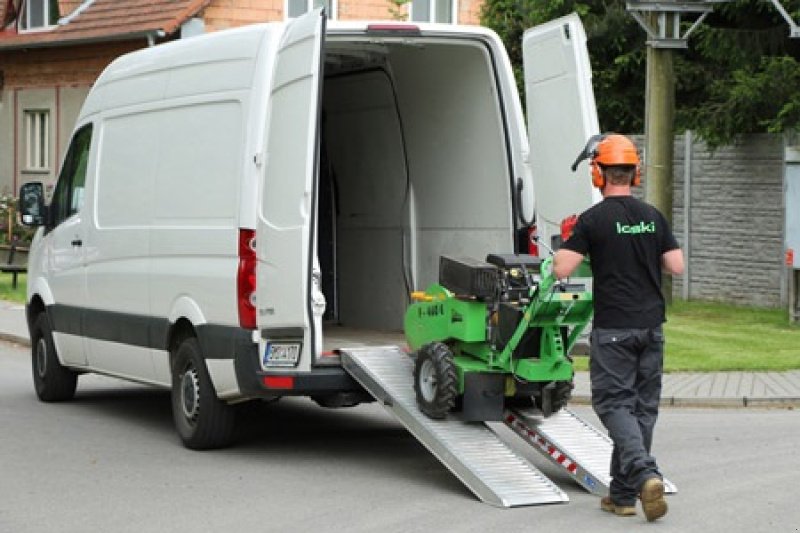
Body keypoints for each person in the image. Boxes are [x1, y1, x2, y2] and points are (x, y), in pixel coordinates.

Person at [553, 134, 684, 522]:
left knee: (613, 404)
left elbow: (561, 268)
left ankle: (645, 473)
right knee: (641, 409)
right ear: (635, 173)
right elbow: (675, 266)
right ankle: (624, 496)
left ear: (599, 173)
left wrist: (570, 238)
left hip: (614, 330)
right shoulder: (652, 216)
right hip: (651, 328)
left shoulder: (592, 220)